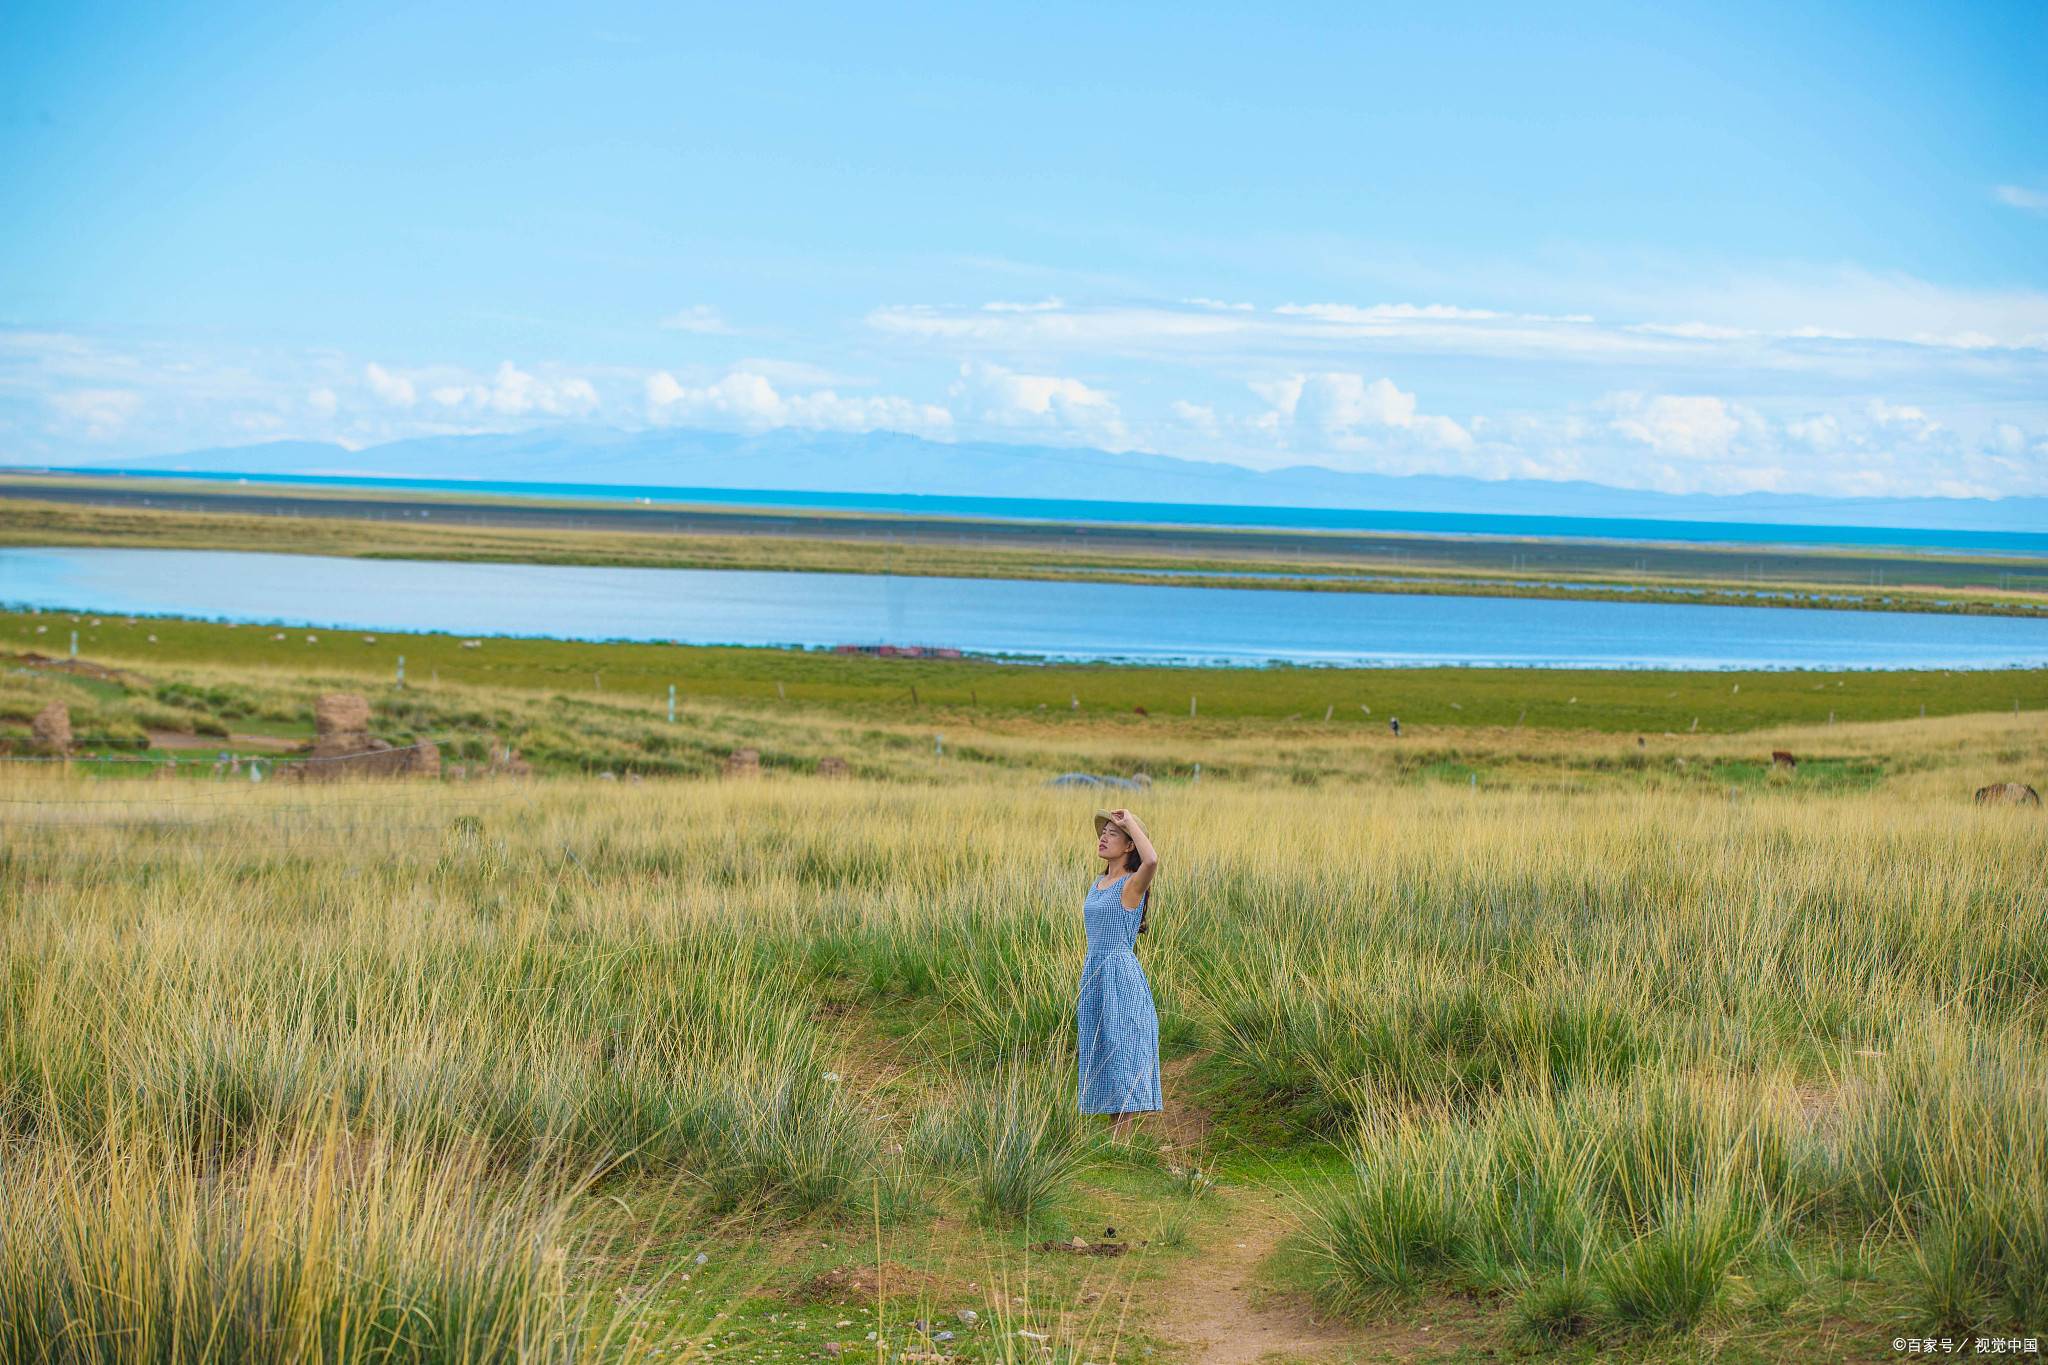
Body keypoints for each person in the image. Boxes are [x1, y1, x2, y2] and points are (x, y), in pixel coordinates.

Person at [1076, 807, 1162, 1141]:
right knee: (1101, 1048)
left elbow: (1151, 860)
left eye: (1113, 833)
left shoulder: (1131, 885)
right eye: (1103, 832)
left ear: (1129, 846)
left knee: (1121, 1046)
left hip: (1119, 974)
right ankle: (1115, 1142)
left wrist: (1131, 824)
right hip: (1094, 971)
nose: (1103, 837)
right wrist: (1122, 827)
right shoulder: (1099, 883)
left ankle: (1121, 1144)